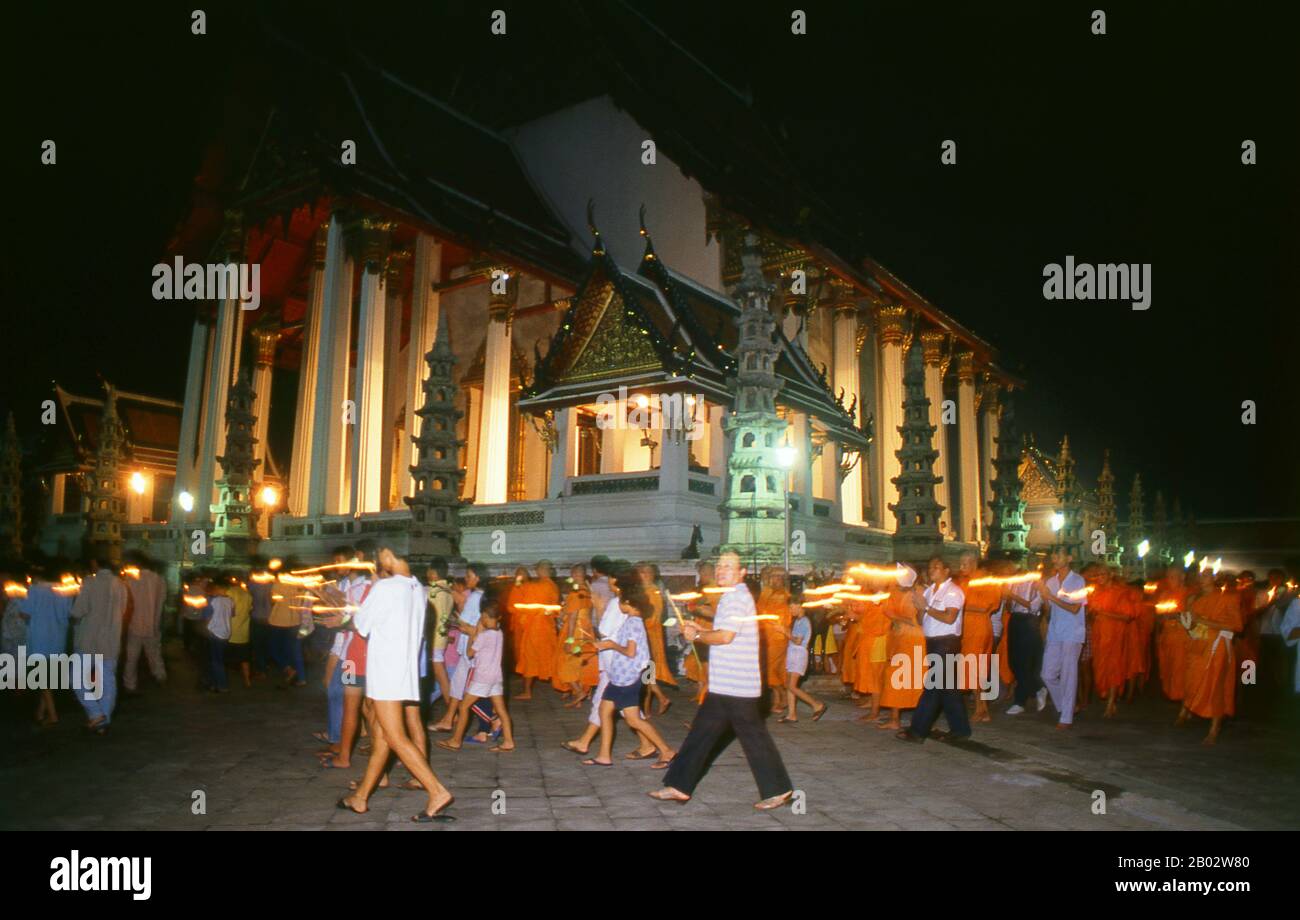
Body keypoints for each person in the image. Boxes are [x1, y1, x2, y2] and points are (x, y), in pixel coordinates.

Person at [652, 552, 794, 810]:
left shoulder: (737, 598)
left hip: (736, 686)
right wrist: (702, 629)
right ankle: (678, 786)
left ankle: (778, 789)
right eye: (719, 566)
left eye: (728, 567)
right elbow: (727, 634)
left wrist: (697, 636)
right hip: (726, 684)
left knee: (753, 737)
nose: (721, 570)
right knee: (701, 734)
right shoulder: (732, 596)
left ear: (741, 574)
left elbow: (726, 637)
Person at [338, 544, 454, 822]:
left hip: (385, 672)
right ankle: (361, 797)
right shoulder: (417, 588)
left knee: (394, 737)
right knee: (381, 735)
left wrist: (370, 592)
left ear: (387, 554)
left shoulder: (385, 588)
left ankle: (437, 791)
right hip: (403, 672)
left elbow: (360, 625)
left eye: (378, 556)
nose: (377, 562)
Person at [577, 567, 675, 768]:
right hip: (619, 677)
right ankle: (604, 755)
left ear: (629, 604)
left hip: (627, 678)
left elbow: (631, 652)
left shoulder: (634, 623)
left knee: (633, 720)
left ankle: (667, 751)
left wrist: (611, 645)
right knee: (605, 711)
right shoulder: (632, 620)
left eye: (621, 602)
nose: (618, 604)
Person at [897, 556, 970, 743]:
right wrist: (920, 606)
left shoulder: (953, 592)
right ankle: (960, 729)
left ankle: (918, 730)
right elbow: (922, 620)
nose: (932, 570)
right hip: (933, 641)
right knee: (947, 689)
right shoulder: (930, 591)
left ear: (946, 570)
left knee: (933, 686)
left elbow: (949, 618)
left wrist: (926, 607)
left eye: (936, 567)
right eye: (930, 567)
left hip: (946, 642)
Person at [436, 598, 515, 753]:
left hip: (482, 678)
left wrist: (475, 634)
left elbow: (469, 653)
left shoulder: (484, 636)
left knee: (463, 706)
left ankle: (455, 740)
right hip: (496, 677)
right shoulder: (499, 632)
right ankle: (508, 741)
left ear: (485, 617)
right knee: (502, 711)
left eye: (482, 617)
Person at [1176, 569, 1245, 744]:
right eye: (1199, 575)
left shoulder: (1228, 598)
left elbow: (1237, 626)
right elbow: (1193, 626)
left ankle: (1214, 729)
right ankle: (1187, 711)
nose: (1201, 579)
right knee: (1193, 682)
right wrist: (1187, 624)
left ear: (1215, 578)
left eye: (1206, 575)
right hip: (1198, 646)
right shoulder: (1195, 600)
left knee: (1216, 685)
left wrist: (1204, 621)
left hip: (1218, 647)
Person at [69, 558, 128, 733]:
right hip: (111, 639)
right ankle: (104, 719)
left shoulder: (90, 582)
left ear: (95, 563)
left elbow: (78, 610)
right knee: (107, 680)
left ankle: (96, 714)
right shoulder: (122, 585)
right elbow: (123, 611)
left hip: (89, 637)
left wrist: (71, 616)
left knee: (77, 678)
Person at [431, 562, 487, 733]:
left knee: (477, 693)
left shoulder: (476, 598)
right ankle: (448, 720)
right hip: (466, 650)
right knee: (456, 687)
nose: (466, 579)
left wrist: (452, 622)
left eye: (469, 576)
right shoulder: (476, 596)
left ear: (477, 578)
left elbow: (470, 626)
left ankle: (493, 721)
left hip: (472, 651)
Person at [18, 566, 75, 726]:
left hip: (40, 638)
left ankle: (52, 715)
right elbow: (69, 613)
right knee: (49, 678)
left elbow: (24, 613)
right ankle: (41, 712)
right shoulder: (65, 591)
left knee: (42, 678)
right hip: (58, 638)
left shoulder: (35, 590)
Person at [1038, 547, 1088, 730]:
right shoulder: (1051, 581)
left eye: (1058, 555)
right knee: (1047, 674)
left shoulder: (1078, 580)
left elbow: (1075, 608)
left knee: (1068, 673)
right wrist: (1044, 597)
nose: (1054, 558)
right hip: (1055, 631)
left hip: (1073, 632)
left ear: (1069, 557)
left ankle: (1066, 717)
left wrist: (1051, 596)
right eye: (1053, 555)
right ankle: (1067, 706)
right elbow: (1048, 610)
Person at [878, 562, 925, 730]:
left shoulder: (919, 591)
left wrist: (901, 620)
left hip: (915, 639)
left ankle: (916, 716)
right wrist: (899, 619)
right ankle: (895, 717)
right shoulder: (894, 591)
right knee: (895, 676)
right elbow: (887, 610)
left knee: (913, 678)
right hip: (899, 638)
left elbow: (921, 618)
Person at [1086, 565, 1136, 718]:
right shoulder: (1095, 592)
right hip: (1098, 635)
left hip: (1114, 635)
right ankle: (1108, 697)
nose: (1099, 577)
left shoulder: (1120, 593)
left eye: (1103, 574)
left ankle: (1111, 702)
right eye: (1098, 575)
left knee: (1114, 667)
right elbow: (1092, 614)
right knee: (1100, 667)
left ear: (1111, 575)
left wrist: (1105, 613)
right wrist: (1092, 613)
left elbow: (1128, 616)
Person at [956, 552, 999, 723]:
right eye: (960, 564)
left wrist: (961, 607)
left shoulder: (985, 580)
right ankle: (982, 708)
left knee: (975, 668)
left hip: (979, 628)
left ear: (974, 563)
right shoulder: (964, 582)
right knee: (971, 668)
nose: (961, 567)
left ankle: (981, 709)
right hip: (967, 628)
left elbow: (985, 607)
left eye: (964, 564)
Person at [552, 564, 598, 706]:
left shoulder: (576, 594)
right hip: (586, 631)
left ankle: (579, 691)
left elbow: (572, 618)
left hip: (576, 632)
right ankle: (582, 695)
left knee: (564, 663)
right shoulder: (588, 592)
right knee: (579, 663)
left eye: (575, 574)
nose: (574, 577)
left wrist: (569, 639)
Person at [121, 556, 167, 694]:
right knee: (154, 654)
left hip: (134, 624)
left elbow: (125, 601)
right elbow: (162, 601)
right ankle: (160, 676)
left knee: (131, 657)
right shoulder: (159, 580)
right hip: (153, 624)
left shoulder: (130, 580)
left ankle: (130, 684)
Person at [1004, 565, 1046, 715]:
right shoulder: (1014, 582)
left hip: (1029, 621)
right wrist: (1008, 597)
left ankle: (1020, 701)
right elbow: (1009, 606)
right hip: (1015, 619)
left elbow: (1033, 606)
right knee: (1013, 662)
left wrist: (1012, 595)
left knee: (1025, 662)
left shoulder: (1037, 584)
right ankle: (1037, 688)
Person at [778, 593, 825, 723]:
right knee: (789, 685)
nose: (790, 610)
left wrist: (785, 632)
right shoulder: (797, 621)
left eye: (792, 607)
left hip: (799, 654)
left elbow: (798, 641)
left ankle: (817, 705)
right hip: (793, 653)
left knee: (792, 686)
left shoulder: (804, 621)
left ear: (800, 606)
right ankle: (792, 715)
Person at [638, 562, 677, 715]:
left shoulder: (653, 592)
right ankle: (651, 705)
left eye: (646, 571)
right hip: (646, 633)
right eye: (641, 571)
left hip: (650, 635)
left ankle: (651, 705)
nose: (643, 574)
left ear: (652, 574)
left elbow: (653, 617)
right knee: (646, 673)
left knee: (647, 672)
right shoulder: (643, 590)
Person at [1154, 564, 1193, 702]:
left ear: (1182, 577)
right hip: (1167, 635)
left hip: (1181, 636)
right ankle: (1172, 694)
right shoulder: (1164, 594)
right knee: (1167, 667)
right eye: (1168, 577)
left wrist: (1177, 616)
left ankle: (1184, 699)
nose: (1169, 580)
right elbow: (1158, 615)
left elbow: (1192, 618)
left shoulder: (1189, 595)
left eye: (1173, 577)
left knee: (1180, 668)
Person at [425, 558, 456, 723]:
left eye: (429, 570)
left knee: (441, 674)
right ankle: (452, 712)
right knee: (440, 674)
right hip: (441, 636)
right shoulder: (448, 590)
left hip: (433, 637)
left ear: (434, 573)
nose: (427, 573)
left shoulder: (434, 590)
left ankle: (452, 712)